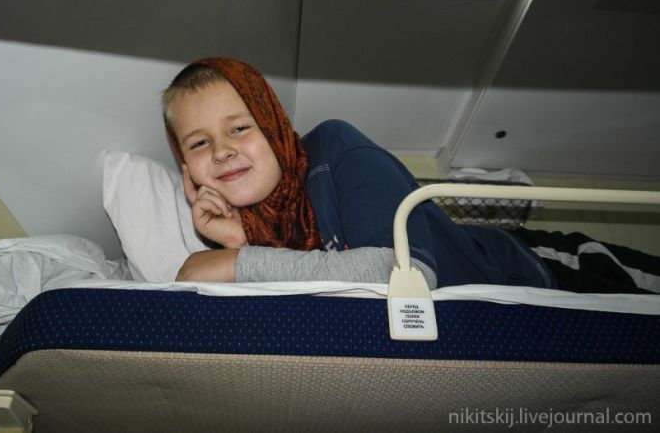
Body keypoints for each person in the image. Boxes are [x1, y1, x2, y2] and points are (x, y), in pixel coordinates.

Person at [162, 57, 658, 294]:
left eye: (240, 128)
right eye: (199, 143)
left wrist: (238, 261)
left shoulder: (334, 150)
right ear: (187, 168)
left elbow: (403, 274)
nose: (222, 152)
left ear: (274, 124)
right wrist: (239, 240)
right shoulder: (251, 229)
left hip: (543, 266)